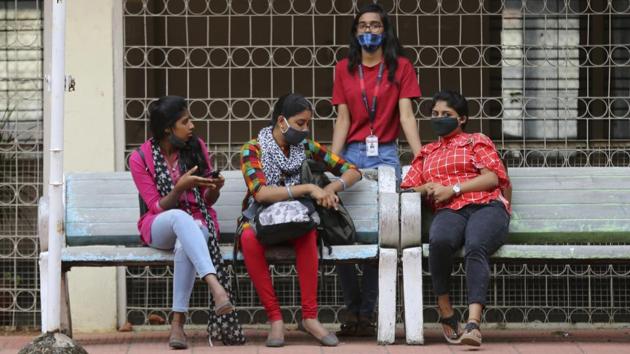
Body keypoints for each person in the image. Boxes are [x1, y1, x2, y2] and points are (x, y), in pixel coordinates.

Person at [239, 93, 362, 347]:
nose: (305, 129)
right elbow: (260, 192)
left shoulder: (305, 147)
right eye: (300, 123)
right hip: (263, 217)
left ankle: (309, 317)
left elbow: (352, 171)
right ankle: (275, 319)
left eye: (308, 123)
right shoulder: (253, 149)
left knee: (309, 232)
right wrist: (307, 188)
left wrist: (330, 189)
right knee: (248, 238)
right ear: (281, 121)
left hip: (297, 217)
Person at [330, 3, 422, 336]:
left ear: (386, 30)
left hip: (385, 153)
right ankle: (352, 307)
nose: (369, 31)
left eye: (376, 25)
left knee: (382, 232)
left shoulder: (401, 67)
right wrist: (331, 162)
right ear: (355, 32)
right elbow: (343, 120)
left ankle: (366, 312)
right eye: (363, 26)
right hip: (354, 152)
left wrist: (421, 157)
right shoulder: (343, 68)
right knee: (341, 230)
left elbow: (407, 116)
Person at [129, 96, 244, 349]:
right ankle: (216, 288)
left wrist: (215, 188)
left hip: (198, 220)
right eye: (185, 121)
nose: (192, 126)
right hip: (158, 223)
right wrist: (179, 189)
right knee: (180, 217)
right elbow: (156, 206)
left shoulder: (196, 147)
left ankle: (177, 324)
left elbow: (207, 201)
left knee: (185, 243)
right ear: (168, 128)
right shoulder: (139, 158)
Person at [400, 90, 511, 347]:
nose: (439, 118)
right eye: (435, 114)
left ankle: (473, 324)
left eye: (446, 115)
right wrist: (425, 188)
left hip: (486, 206)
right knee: (439, 241)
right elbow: (406, 189)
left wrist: (454, 188)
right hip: (450, 211)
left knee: (475, 246)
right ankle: (446, 311)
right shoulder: (426, 153)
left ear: (461, 119)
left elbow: (492, 178)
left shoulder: (475, 141)